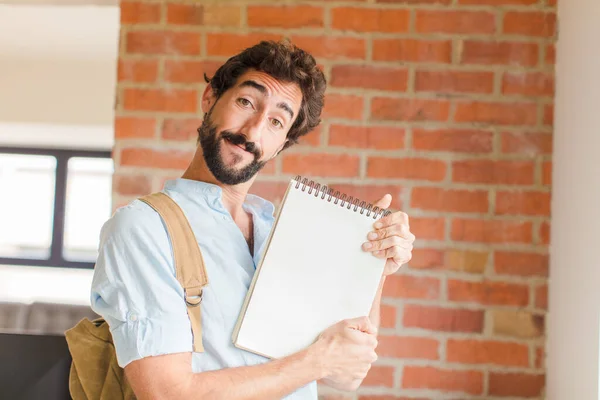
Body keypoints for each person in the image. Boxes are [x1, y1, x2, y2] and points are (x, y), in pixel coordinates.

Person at [91, 39, 415, 399]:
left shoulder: (280, 231)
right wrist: (316, 361)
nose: (253, 131)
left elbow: (345, 376)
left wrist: (375, 263)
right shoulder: (144, 228)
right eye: (246, 102)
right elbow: (167, 394)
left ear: (282, 144)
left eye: (277, 121)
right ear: (210, 98)